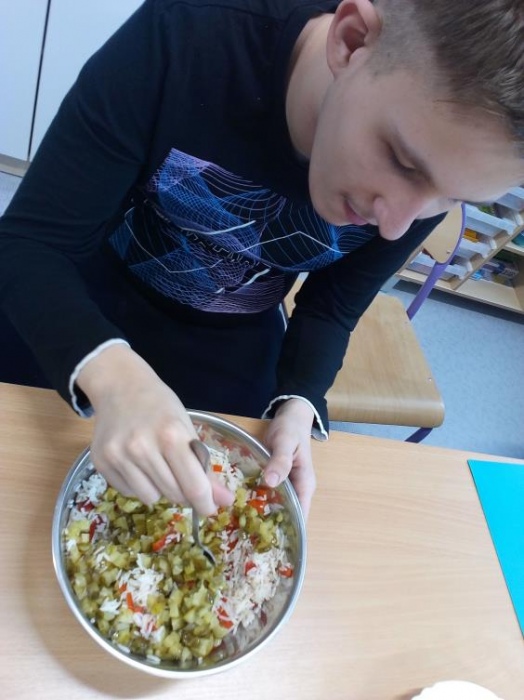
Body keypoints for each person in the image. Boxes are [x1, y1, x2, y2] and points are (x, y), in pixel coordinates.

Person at [0, 0, 523, 520]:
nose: (395, 226)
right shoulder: (187, 35)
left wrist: (300, 398)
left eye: (453, 198)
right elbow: (29, 243)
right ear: (351, 41)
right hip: (82, 289)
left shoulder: (427, 178)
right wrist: (113, 377)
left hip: (235, 335)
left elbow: (333, 307)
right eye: (402, 162)